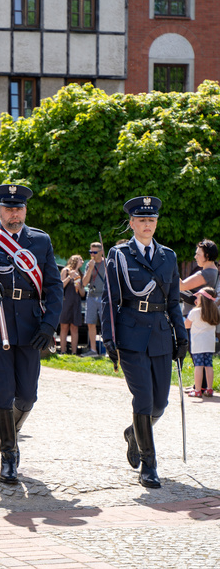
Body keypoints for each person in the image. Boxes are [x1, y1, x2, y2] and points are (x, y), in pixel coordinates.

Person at [0, 184, 62, 485]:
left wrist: (49, 325)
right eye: (8, 208)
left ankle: (11, 429)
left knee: (27, 395)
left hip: (30, 325)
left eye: (19, 208)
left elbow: (53, 286)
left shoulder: (40, 240)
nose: (14, 214)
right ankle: (8, 455)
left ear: (25, 210)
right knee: (2, 391)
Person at [102, 196, 187, 489]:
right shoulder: (119, 254)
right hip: (131, 335)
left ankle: (133, 433)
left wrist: (181, 335)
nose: (147, 224)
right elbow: (109, 300)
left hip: (161, 334)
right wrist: (109, 338)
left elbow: (173, 301)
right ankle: (149, 465)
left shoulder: (169, 256)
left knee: (160, 403)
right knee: (143, 399)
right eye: (142, 220)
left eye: (152, 220)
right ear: (132, 223)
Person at [185, 287, 218, 398]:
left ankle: (197, 390)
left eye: (198, 297)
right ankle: (209, 389)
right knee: (208, 365)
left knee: (198, 366)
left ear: (202, 299)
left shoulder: (195, 311)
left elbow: (186, 325)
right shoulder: (214, 311)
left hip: (198, 344)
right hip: (209, 344)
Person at [81, 241, 105, 356]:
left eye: (95, 252)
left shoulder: (106, 264)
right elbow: (84, 283)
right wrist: (90, 269)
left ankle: (107, 349)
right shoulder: (89, 264)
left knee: (105, 323)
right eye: (91, 251)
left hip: (103, 296)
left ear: (101, 252)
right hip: (91, 296)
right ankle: (93, 350)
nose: (92, 254)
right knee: (90, 323)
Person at [59, 254, 85, 355]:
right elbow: (61, 285)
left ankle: (74, 352)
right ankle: (62, 351)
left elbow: (82, 293)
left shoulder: (80, 274)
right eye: (80, 260)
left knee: (75, 327)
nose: (82, 262)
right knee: (64, 327)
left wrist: (79, 286)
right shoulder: (65, 270)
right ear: (75, 261)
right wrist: (70, 277)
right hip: (66, 302)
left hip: (76, 303)